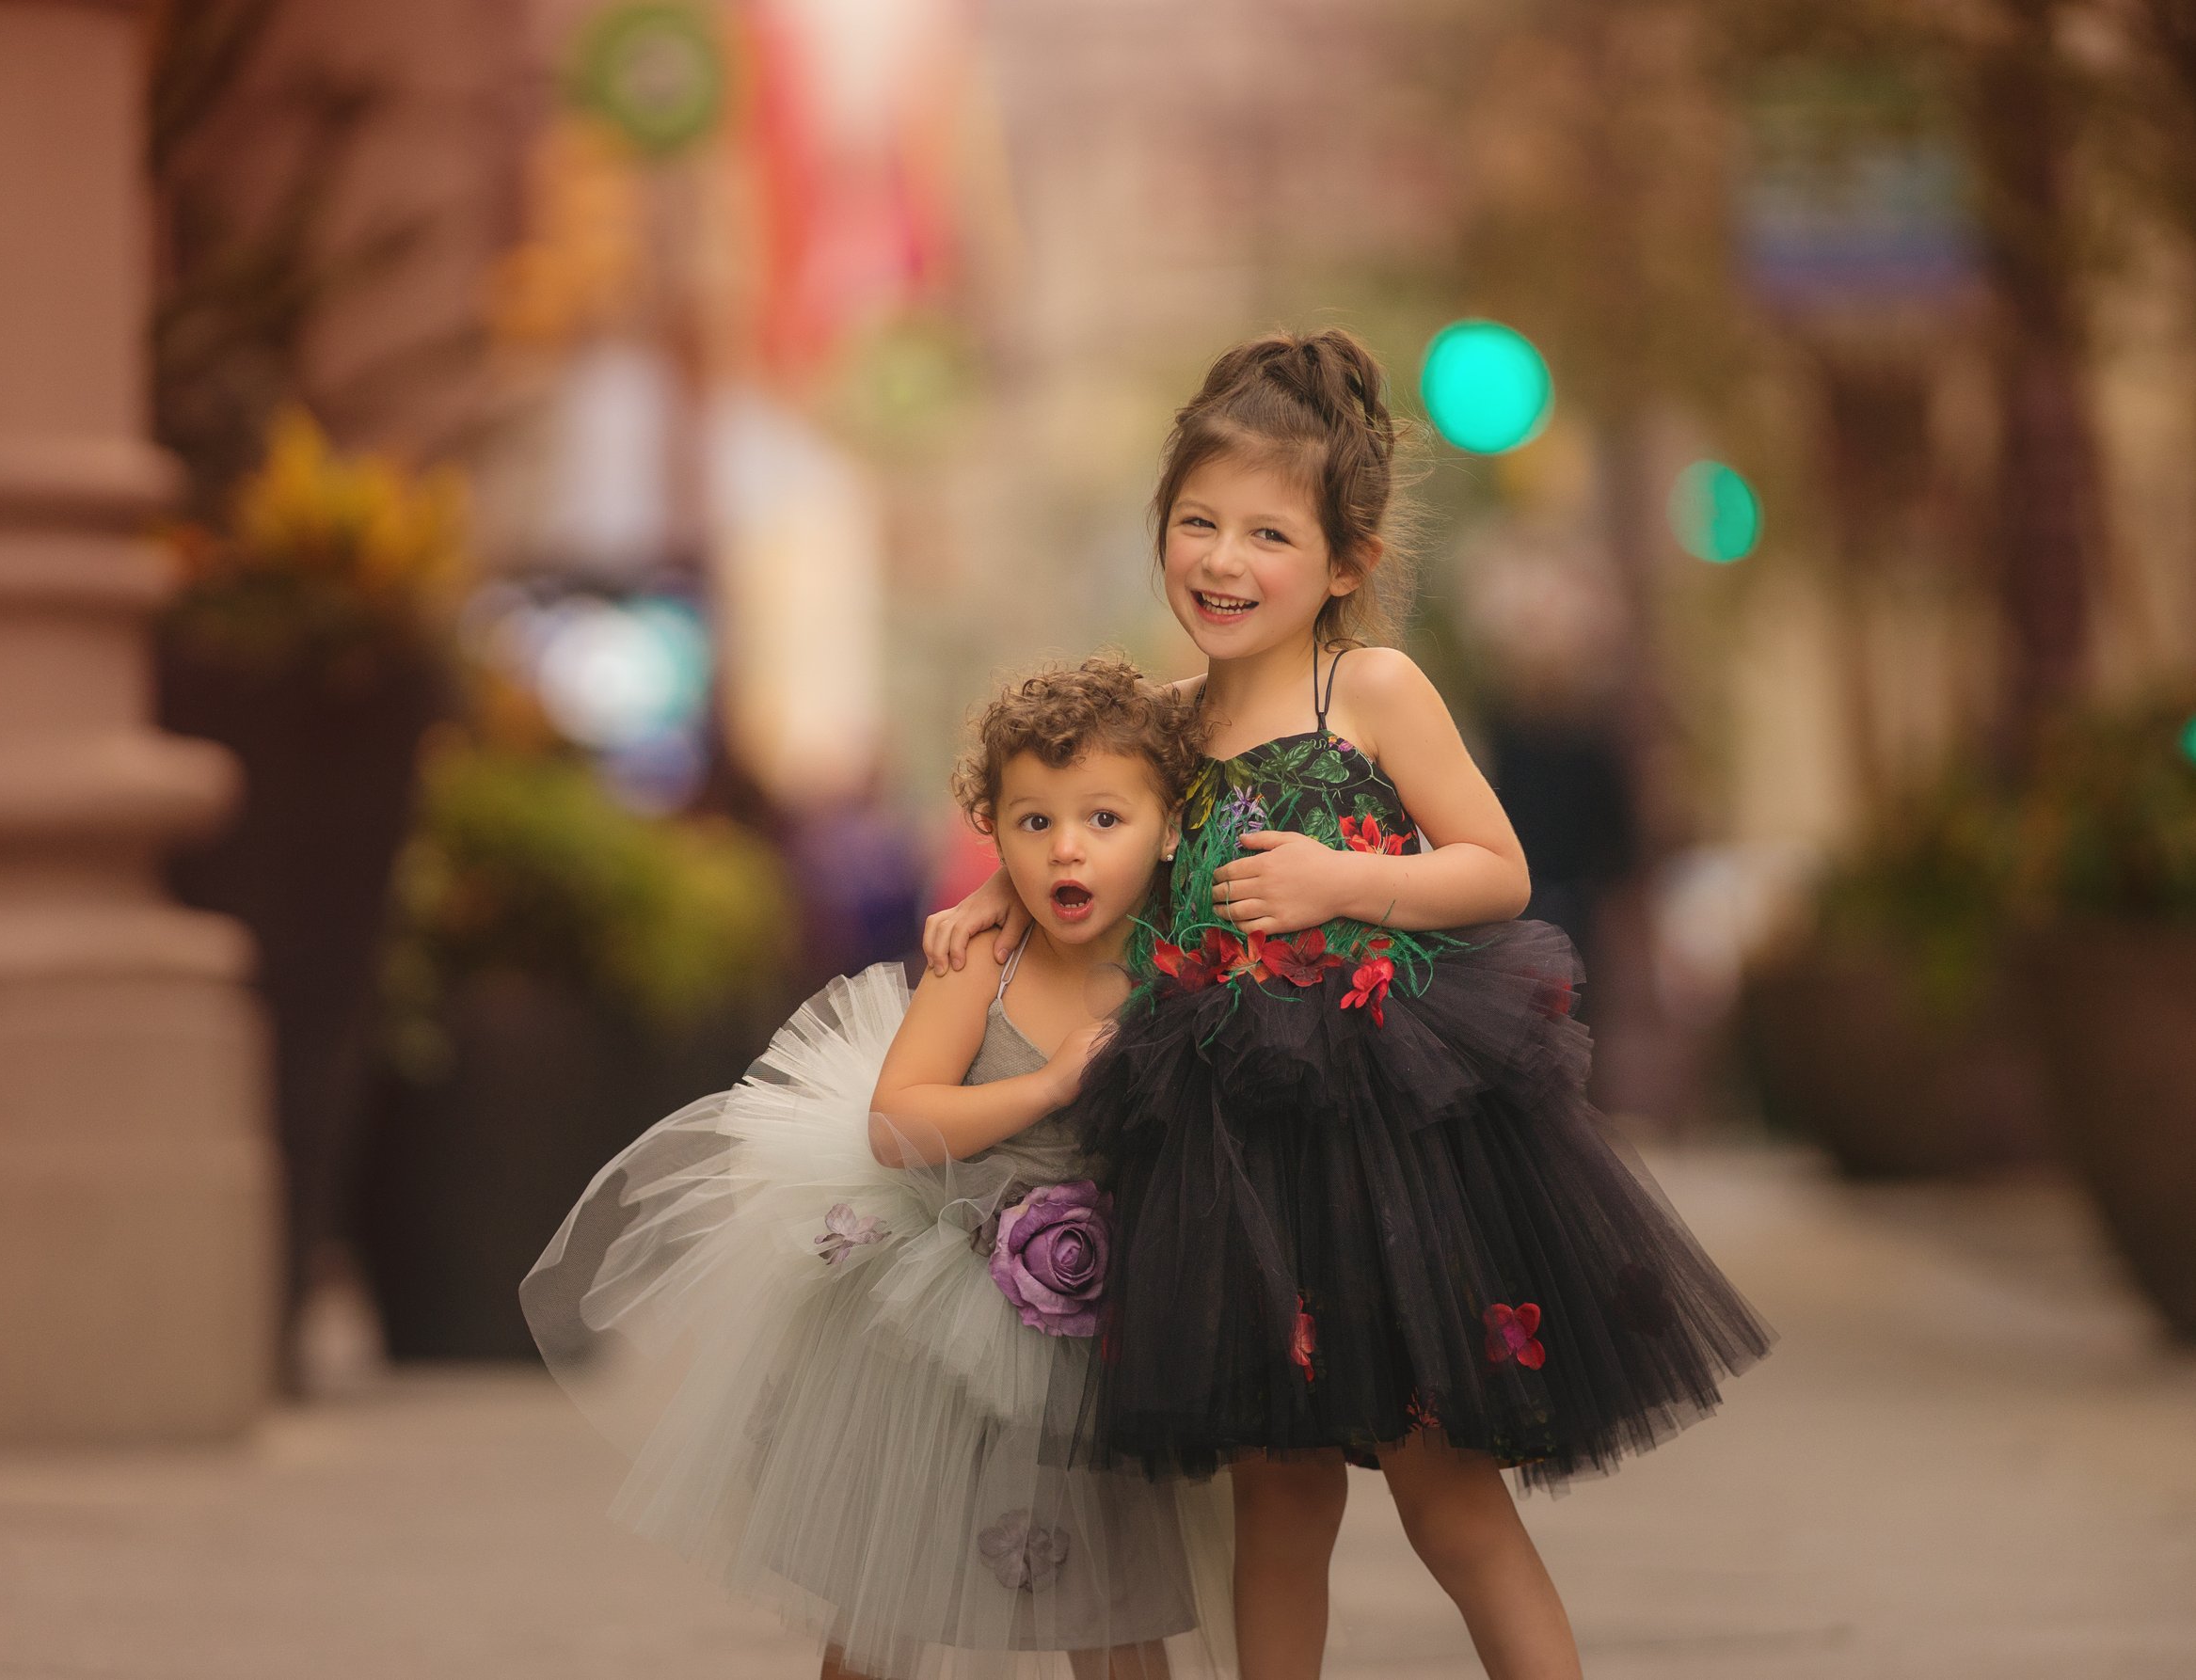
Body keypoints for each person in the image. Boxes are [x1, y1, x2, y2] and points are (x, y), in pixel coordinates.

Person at [926, 332, 1771, 1680]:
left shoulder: (1368, 690)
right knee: (1280, 1492)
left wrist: (1341, 881)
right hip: (1227, 1166)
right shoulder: (1158, 727)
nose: (1222, 559)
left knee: (1447, 1493)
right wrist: (1006, 898)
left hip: (1390, 1150)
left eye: (1267, 532)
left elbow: (1498, 870)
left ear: (1344, 564)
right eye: (1196, 522)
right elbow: (1083, 844)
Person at [523, 658, 1233, 1680]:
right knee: (891, 1577)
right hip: (942, 1306)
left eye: (1103, 821)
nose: (1066, 847)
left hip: (1106, 1321)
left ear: (1169, 828)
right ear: (992, 831)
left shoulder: (1181, 958)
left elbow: (1218, 704)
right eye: (1032, 824)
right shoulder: (984, 960)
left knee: (1117, 1592)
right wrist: (1045, 1088)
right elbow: (897, 1123)